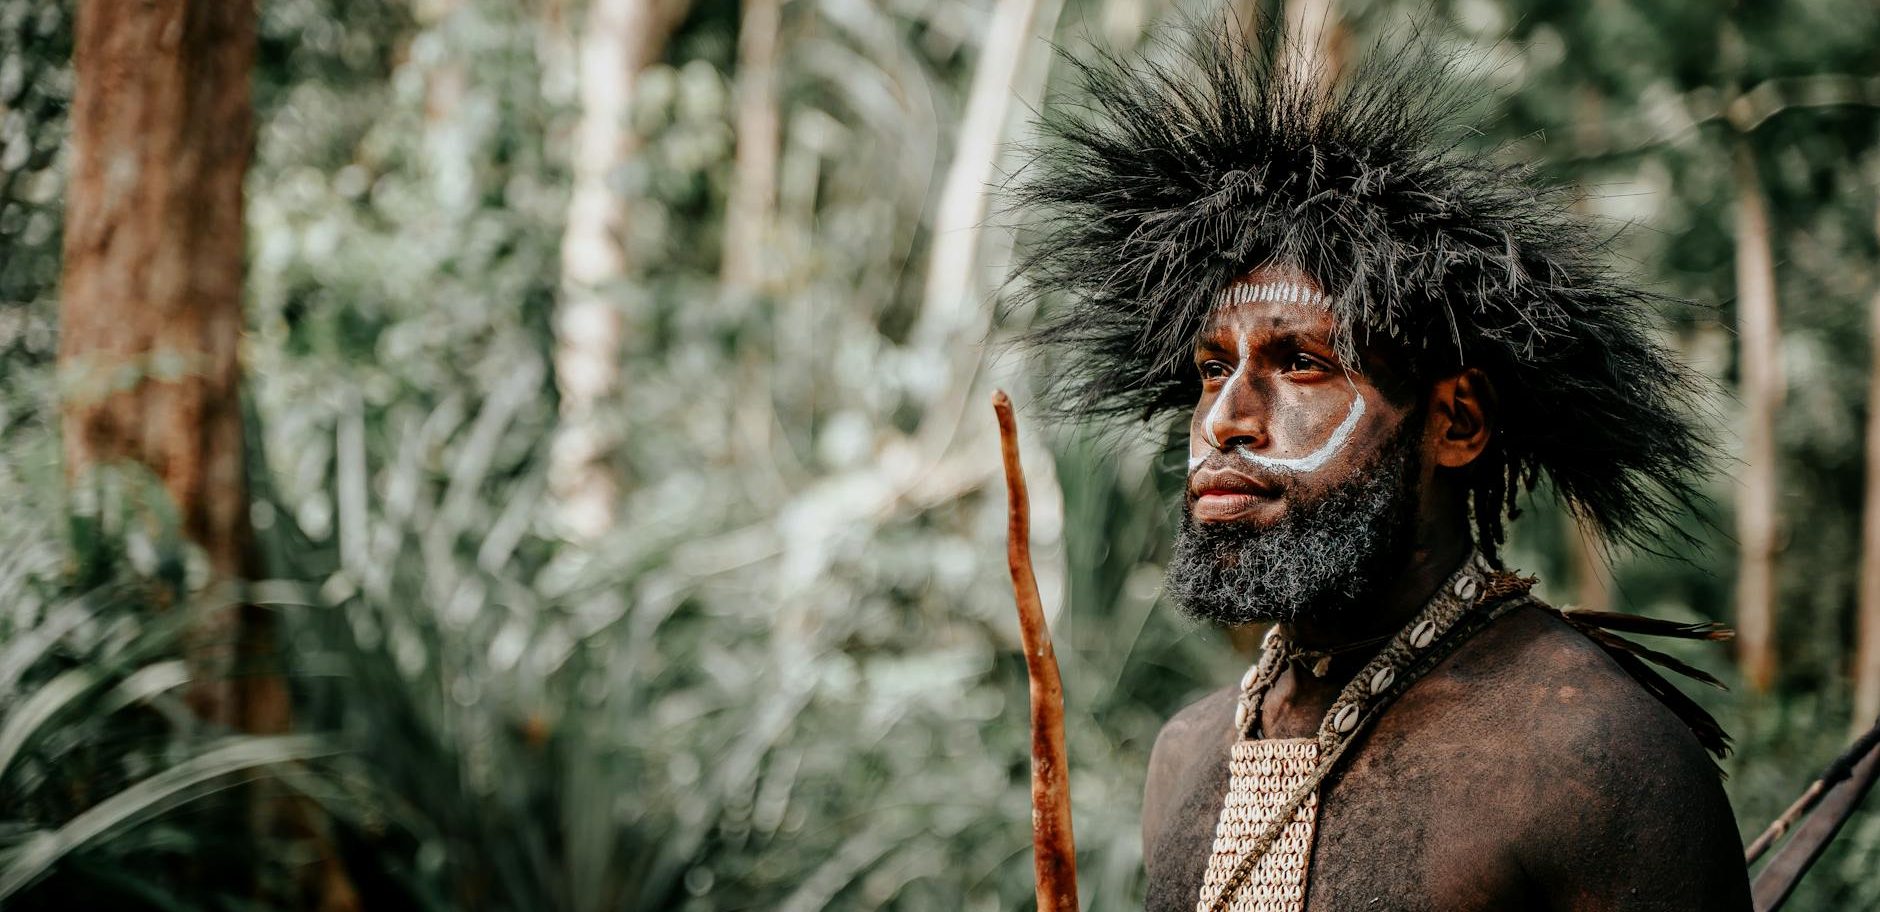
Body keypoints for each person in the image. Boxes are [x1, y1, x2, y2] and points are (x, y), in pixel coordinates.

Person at [1011, 23, 1752, 912]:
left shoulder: (1593, 764)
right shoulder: (1187, 755)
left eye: (1302, 365)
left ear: (1457, 421)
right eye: (1212, 368)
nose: (1223, 420)